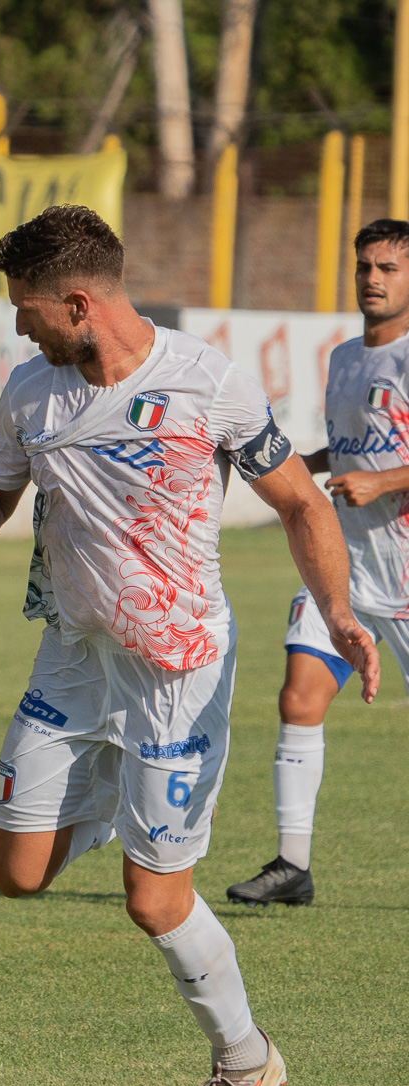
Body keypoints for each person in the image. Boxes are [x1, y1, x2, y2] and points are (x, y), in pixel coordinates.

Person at [0, 205, 378, 1086]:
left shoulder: (205, 383)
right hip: (74, 659)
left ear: (81, 304)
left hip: (179, 673)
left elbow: (300, 502)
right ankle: (112, 807)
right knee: (15, 875)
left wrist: (338, 612)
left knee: (153, 901)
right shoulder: (31, 391)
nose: (19, 325)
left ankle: (247, 1060)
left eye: (30, 309)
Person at [228, 218, 409, 907]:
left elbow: (383, 465)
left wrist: (385, 482)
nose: (372, 278)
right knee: (299, 696)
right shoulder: (342, 358)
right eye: (365, 265)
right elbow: (355, 446)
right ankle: (292, 865)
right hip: (344, 564)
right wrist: (309, 465)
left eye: (388, 267)